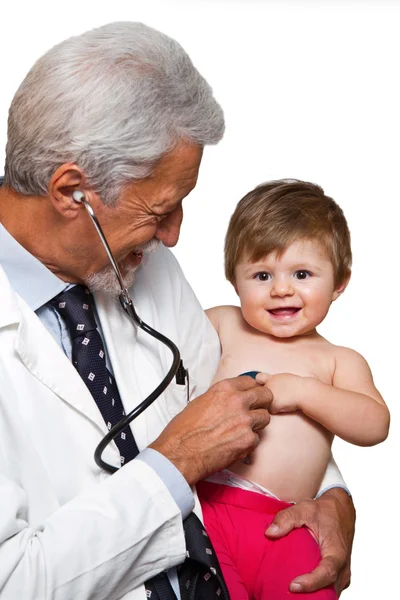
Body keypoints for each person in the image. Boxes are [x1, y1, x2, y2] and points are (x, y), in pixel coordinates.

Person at [0, 23, 355, 600]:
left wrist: (329, 497)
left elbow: (237, 393)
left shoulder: (136, 256)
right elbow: (13, 582)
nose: (174, 236)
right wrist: (172, 464)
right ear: (71, 192)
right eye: (161, 209)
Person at [198, 179, 390, 599]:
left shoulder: (337, 360)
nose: (281, 289)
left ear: (339, 283)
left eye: (302, 274)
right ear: (234, 280)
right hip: (207, 506)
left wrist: (304, 393)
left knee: (309, 587)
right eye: (262, 274)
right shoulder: (222, 324)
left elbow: (376, 425)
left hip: (287, 522)